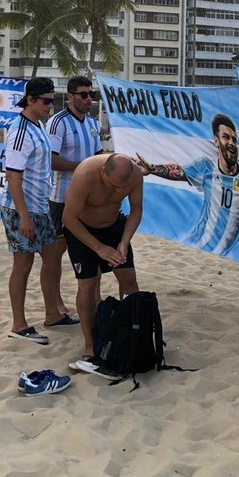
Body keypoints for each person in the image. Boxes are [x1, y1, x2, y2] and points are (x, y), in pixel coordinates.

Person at [135, 113, 239, 255]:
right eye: (226, 137)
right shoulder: (207, 167)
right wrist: (152, 169)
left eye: (234, 139)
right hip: (195, 249)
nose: (231, 142)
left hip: (226, 258)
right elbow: (178, 172)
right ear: (216, 141)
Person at [0, 77, 67, 345]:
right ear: (30, 100)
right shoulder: (20, 131)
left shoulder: (38, 126)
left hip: (41, 206)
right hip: (21, 209)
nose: (51, 105)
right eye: (46, 101)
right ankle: (19, 324)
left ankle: (52, 314)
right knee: (23, 264)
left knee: (52, 257)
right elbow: (12, 176)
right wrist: (24, 216)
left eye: (53, 100)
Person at [62, 153, 144, 358]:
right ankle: (90, 343)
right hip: (82, 229)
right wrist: (98, 248)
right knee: (87, 285)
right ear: (102, 172)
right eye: (113, 186)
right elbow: (68, 218)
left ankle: (130, 332)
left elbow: (136, 210)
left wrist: (124, 242)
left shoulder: (135, 175)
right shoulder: (85, 174)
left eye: (122, 188)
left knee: (128, 278)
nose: (117, 191)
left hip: (114, 226)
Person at [44, 75, 102, 325]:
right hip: (61, 198)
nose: (89, 99)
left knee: (94, 251)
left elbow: (99, 157)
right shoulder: (58, 122)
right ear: (70, 96)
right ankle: (56, 305)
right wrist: (84, 168)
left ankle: (96, 302)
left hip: (89, 200)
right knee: (55, 254)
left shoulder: (93, 123)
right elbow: (51, 160)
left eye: (92, 94)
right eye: (84, 95)